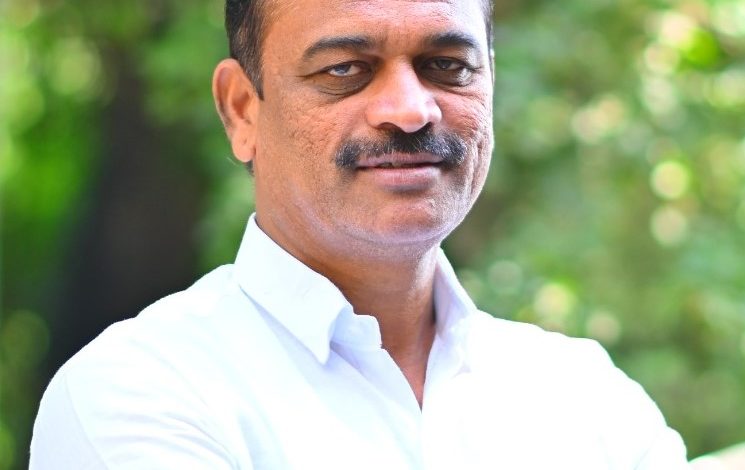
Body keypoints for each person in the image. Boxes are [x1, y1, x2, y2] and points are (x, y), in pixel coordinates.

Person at [30, 0, 690, 468]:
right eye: (345, 68)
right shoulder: (141, 394)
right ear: (241, 110)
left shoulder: (586, 398)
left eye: (446, 65)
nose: (409, 110)